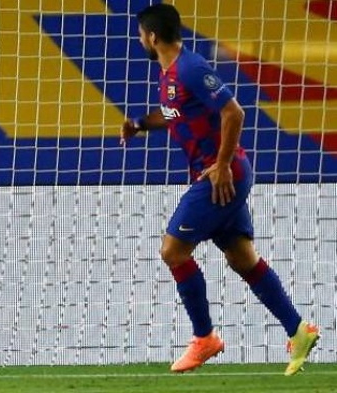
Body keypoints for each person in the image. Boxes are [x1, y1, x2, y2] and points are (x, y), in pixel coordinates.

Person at [122, 4, 319, 375]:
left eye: (140, 34)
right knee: (243, 259)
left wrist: (224, 164)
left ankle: (204, 338)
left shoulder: (191, 68)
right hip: (218, 173)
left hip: (219, 175)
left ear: (151, 36)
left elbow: (234, 112)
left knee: (172, 251)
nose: (139, 40)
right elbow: (173, 114)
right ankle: (298, 329)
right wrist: (138, 124)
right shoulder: (168, 76)